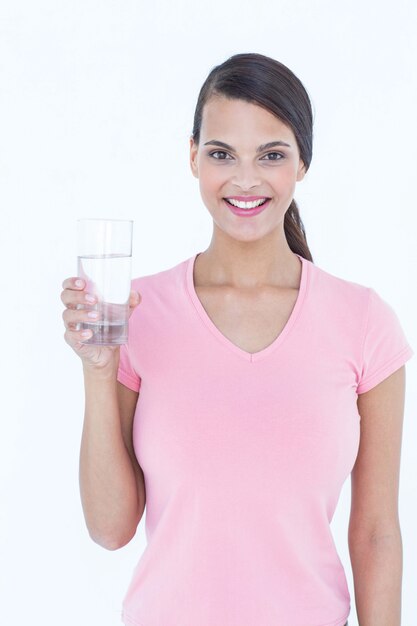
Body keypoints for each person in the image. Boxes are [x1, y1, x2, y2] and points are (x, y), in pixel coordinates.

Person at [60, 52, 414, 626]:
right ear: (193, 156)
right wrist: (99, 368)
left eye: (271, 155)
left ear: (302, 164)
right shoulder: (136, 313)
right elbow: (109, 529)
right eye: (222, 154)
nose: (245, 179)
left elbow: (376, 535)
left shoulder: (365, 322)